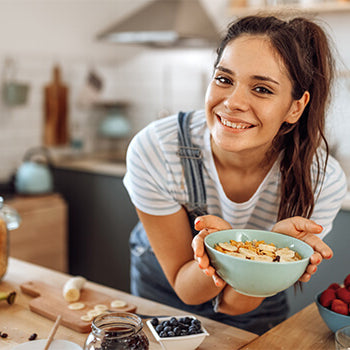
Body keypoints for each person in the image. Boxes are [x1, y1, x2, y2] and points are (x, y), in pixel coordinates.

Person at [123, 14, 347, 335]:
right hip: (162, 304)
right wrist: (223, 251)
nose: (233, 103)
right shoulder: (157, 149)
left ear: (295, 108)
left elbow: (232, 304)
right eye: (224, 79)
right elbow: (186, 288)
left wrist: (273, 251)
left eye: (261, 89)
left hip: (254, 313)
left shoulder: (322, 180)